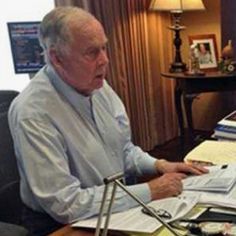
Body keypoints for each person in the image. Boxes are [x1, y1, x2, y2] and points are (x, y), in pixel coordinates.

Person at [8, 6, 208, 236]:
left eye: (104, 47)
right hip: (63, 225)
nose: (105, 60)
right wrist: (150, 190)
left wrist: (160, 165)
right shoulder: (33, 112)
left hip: (115, 205)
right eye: (92, 52)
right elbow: (66, 205)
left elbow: (122, 150)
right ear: (57, 58)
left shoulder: (96, 85)